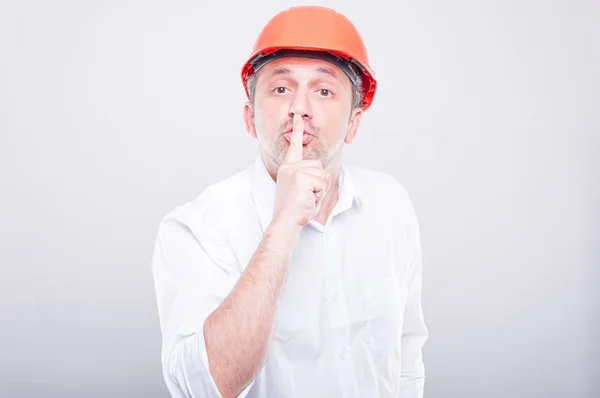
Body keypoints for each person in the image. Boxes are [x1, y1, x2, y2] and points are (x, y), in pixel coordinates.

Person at [151, 5, 428, 398]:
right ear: (250, 119)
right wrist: (283, 224)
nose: (300, 107)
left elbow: (407, 357)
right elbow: (207, 387)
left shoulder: (391, 204)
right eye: (281, 89)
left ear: (353, 123)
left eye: (325, 90)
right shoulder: (197, 228)